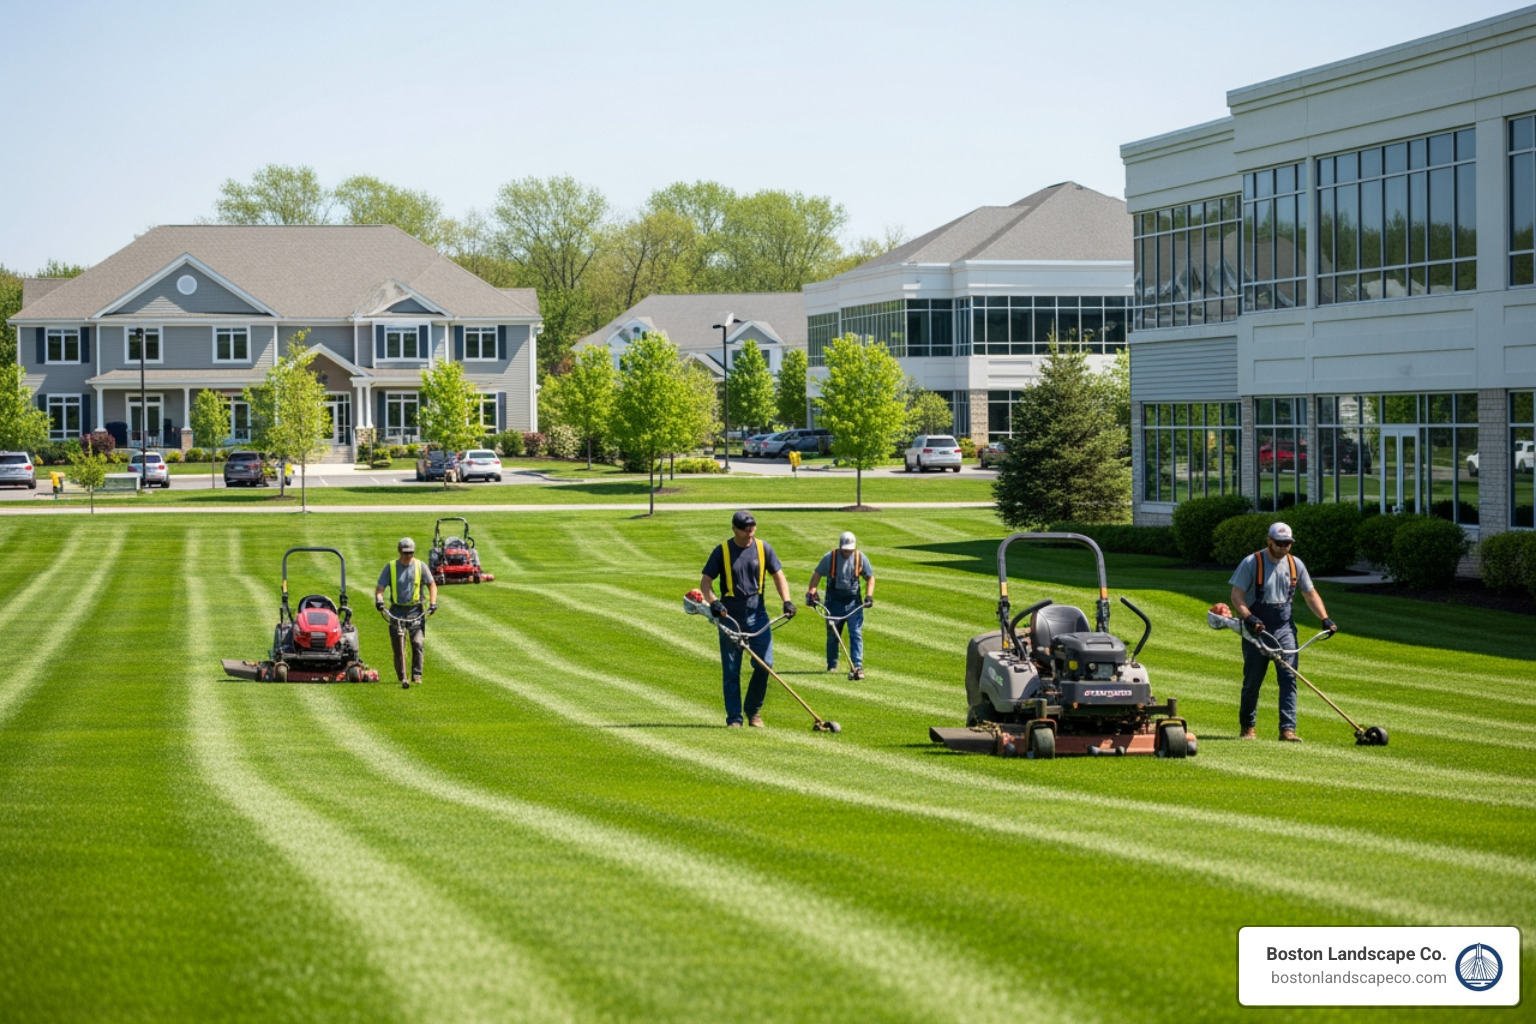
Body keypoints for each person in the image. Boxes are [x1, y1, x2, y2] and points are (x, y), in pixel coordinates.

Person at [1228, 521, 1337, 742]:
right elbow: (1236, 596)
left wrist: (1325, 619)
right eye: (1279, 543)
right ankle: (1247, 728)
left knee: (1289, 677)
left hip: (1284, 626)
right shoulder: (1252, 562)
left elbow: (1310, 594)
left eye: (1287, 543)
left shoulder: (1296, 564)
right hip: (1256, 628)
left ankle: (1288, 730)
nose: (1283, 547)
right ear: (1269, 541)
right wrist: (1248, 617)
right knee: (1253, 680)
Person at [698, 510, 795, 728]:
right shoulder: (722, 551)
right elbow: (706, 582)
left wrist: (787, 601)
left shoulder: (763, 548)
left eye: (752, 530)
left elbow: (778, 575)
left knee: (765, 664)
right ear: (734, 528)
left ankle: (753, 711)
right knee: (732, 670)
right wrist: (713, 602)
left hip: (758, 615)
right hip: (729, 617)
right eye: (745, 531)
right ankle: (734, 718)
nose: (749, 534)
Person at [806, 531, 875, 679]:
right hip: (833, 602)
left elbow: (870, 578)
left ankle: (857, 665)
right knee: (832, 635)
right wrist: (812, 592)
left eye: (849, 550)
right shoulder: (830, 558)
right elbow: (817, 574)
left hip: (853, 603)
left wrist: (869, 596)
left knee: (855, 633)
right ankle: (832, 665)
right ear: (840, 547)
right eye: (845, 550)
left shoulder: (860, 558)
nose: (847, 552)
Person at [375, 537, 438, 689]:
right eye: (405, 553)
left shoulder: (420, 566)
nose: (408, 556)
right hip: (397, 610)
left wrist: (433, 603)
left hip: (416, 610)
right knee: (399, 646)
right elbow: (380, 589)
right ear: (399, 552)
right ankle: (402, 676)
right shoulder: (390, 567)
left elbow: (431, 584)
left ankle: (417, 675)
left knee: (417, 642)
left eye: (411, 553)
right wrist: (379, 601)